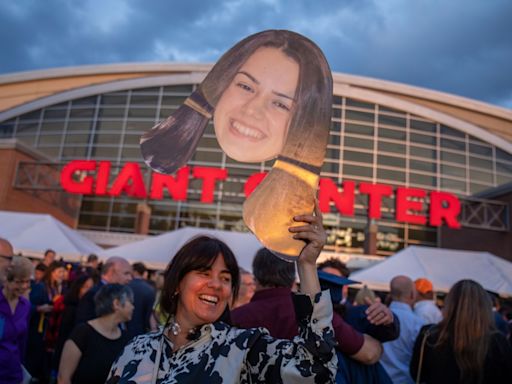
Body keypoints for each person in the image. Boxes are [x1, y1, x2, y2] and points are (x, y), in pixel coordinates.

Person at [141, 30, 333, 258]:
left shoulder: (286, 231)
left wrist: (307, 268)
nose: (253, 109)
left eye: (281, 104)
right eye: (245, 86)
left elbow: (307, 295)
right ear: (220, 85)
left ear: (304, 125)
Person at [107, 205, 337, 383]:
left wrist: (306, 265)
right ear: (177, 283)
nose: (216, 284)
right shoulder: (136, 348)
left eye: (226, 278)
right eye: (204, 273)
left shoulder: (242, 349)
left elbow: (317, 369)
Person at [231, 248, 382, 364]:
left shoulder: (234, 318)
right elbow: (369, 354)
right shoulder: (316, 313)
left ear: (255, 278)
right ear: (292, 277)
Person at [410, 279, 512, 383]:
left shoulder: (429, 334)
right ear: (484, 306)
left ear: (449, 304)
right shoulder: (497, 341)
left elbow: (417, 373)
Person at [58, 284, 133, 384]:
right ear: (117, 304)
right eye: (130, 302)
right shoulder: (83, 333)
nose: (133, 307)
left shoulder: (126, 339)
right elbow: (63, 378)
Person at [26, 260, 67, 382]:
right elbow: (28, 305)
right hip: (37, 329)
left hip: (49, 331)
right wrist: (39, 308)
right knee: (34, 359)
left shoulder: (59, 288)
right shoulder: (41, 286)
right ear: (52, 272)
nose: (62, 274)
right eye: (59, 271)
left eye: (63, 272)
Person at [380, 275, 425, 384]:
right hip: (405, 380)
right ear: (412, 294)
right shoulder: (419, 324)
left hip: (379, 378)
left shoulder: (377, 317)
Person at [0, 256, 33, 384]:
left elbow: (22, 342)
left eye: (27, 281)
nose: (24, 286)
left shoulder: (25, 306)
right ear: (6, 281)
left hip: (13, 373)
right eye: (19, 282)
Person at [53, 274, 95, 374]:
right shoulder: (72, 309)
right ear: (78, 288)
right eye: (85, 287)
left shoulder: (87, 309)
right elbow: (64, 337)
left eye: (91, 288)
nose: (89, 291)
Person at [75, 256, 132, 325]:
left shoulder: (120, 293)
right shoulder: (93, 294)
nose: (130, 278)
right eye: (126, 273)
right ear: (111, 271)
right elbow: (84, 326)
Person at [126, 262, 156, 338]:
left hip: (124, 329)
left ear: (135, 271)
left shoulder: (125, 286)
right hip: (142, 331)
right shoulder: (150, 289)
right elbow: (149, 314)